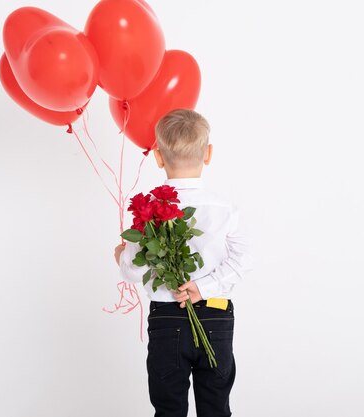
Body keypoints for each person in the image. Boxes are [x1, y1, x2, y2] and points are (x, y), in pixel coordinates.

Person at [113, 109, 254, 417]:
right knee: (216, 407)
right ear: (209, 154)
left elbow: (133, 271)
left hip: (166, 319)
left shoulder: (148, 210)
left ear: (158, 157)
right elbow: (242, 261)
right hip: (216, 315)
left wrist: (121, 256)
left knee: (169, 408)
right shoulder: (224, 209)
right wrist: (203, 288)